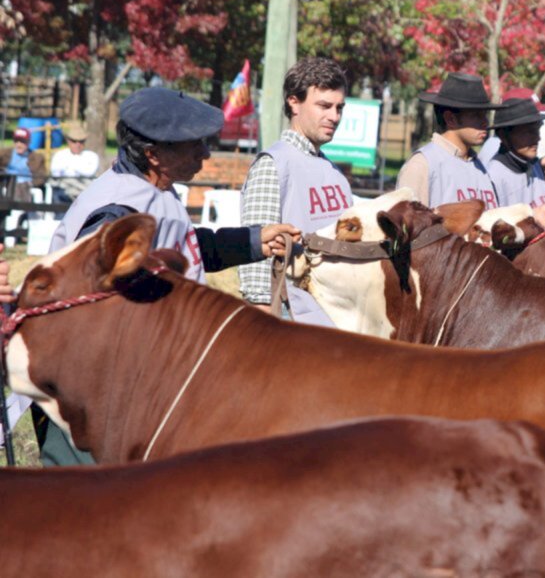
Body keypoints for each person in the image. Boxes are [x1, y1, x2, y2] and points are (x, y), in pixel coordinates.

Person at [41, 86, 300, 466]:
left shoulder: (153, 190)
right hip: (98, 399)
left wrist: (253, 241)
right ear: (153, 154)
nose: (206, 153)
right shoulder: (117, 213)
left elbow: (189, 247)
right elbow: (89, 306)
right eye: (193, 144)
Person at [239, 57, 354, 326]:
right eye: (324, 106)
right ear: (294, 102)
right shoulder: (274, 164)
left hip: (336, 319)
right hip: (292, 322)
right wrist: (265, 333)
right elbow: (256, 265)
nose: (334, 116)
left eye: (339, 107)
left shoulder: (334, 173)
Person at [396, 73, 506, 209]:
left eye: (485, 114)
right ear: (450, 119)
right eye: (476, 115)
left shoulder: (478, 167)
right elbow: (407, 225)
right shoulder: (423, 164)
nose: (485, 122)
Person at [49, 121, 100, 203]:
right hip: (63, 191)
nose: (78, 144)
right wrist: (78, 169)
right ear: (68, 141)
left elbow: (89, 172)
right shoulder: (60, 155)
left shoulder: (92, 156)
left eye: (81, 141)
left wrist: (69, 167)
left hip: (84, 192)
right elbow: (55, 172)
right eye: (74, 141)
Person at [0, 127, 46, 201]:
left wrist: (31, 183)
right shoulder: (5, 153)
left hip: (26, 184)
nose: (19, 144)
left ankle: (19, 209)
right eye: (16, 141)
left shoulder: (36, 158)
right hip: (7, 183)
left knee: (20, 187)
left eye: (22, 141)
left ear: (28, 142)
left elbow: (41, 177)